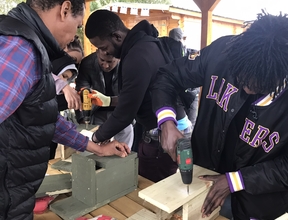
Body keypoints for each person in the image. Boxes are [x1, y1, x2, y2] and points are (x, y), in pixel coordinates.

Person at [150, 11, 288, 219]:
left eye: (257, 84)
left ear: (284, 76)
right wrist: (166, 121)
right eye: (240, 77)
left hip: (256, 202)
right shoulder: (224, 51)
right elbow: (169, 76)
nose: (245, 88)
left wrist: (237, 180)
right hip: (204, 174)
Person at [0, 1, 130, 219]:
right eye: (78, 25)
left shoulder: (27, 45)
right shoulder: (20, 48)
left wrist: (96, 148)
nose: (74, 36)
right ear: (65, 9)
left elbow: (42, 116)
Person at [84, 10, 192, 183]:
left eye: (104, 47)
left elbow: (125, 113)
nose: (105, 53)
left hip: (163, 135)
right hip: (175, 125)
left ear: (117, 36)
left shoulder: (136, 56)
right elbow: (138, 95)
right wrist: (109, 101)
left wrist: (94, 139)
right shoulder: (147, 44)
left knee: (151, 190)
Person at [75, 49, 134, 148]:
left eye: (110, 62)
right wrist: (83, 119)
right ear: (97, 53)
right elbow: (81, 93)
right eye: (102, 60)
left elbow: (131, 96)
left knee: (126, 134)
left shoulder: (128, 64)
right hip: (96, 112)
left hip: (120, 111)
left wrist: (108, 101)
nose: (106, 65)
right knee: (93, 145)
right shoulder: (87, 63)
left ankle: (123, 159)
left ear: (118, 59)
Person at [169, 27, 200, 128]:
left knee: (191, 125)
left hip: (191, 94)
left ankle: (189, 143)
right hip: (177, 96)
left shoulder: (193, 53)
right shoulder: (168, 54)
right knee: (182, 125)